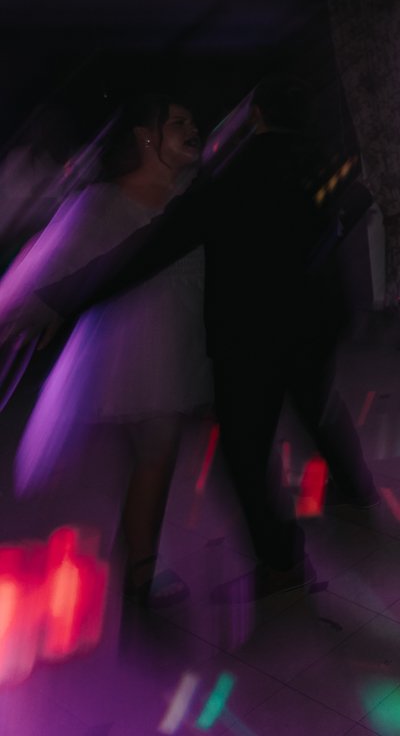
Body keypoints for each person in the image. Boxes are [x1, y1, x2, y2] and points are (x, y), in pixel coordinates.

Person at [17, 76, 376, 599]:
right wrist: (321, 242)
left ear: (256, 116)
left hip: (250, 339)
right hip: (313, 325)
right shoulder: (318, 159)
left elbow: (144, 255)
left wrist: (62, 300)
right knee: (314, 406)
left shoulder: (227, 179)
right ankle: (355, 488)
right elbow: (355, 199)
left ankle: (281, 562)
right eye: (178, 122)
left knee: (247, 454)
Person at [1, 96, 209, 608]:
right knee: (155, 458)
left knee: (150, 462)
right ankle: (141, 573)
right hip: (136, 352)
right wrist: (31, 314)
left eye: (192, 121)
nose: (192, 129)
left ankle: (137, 551)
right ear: (146, 137)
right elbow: (54, 264)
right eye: (177, 122)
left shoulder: (191, 193)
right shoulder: (103, 201)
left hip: (177, 343)